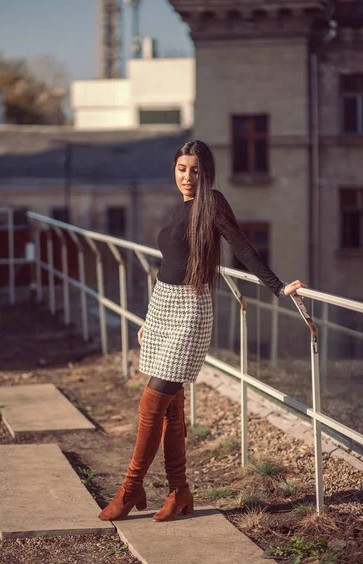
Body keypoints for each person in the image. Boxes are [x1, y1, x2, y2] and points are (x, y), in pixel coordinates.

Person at [98, 140, 307, 523]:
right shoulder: (180, 209)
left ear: (206, 172)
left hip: (192, 311)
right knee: (171, 405)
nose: (188, 177)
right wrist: (150, 317)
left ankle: (131, 490)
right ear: (174, 170)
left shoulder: (213, 204)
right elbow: (170, 267)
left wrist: (277, 286)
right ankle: (179, 492)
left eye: (195, 170)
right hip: (163, 307)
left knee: (152, 403)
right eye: (181, 169)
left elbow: (242, 246)